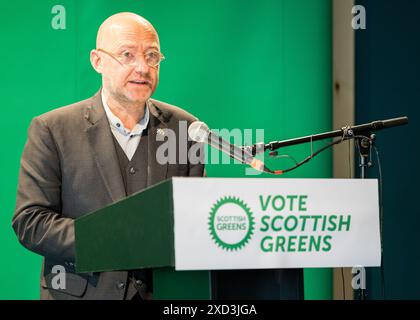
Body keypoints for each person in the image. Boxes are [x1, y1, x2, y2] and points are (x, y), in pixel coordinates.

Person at [12, 12, 204, 300]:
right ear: (97, 60)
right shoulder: (52, 129)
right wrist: (112, 239)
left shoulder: (186, 128)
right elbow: (31, 221)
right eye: (127, 55)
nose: (142, 67)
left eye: (152, 56)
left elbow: (194, 218)